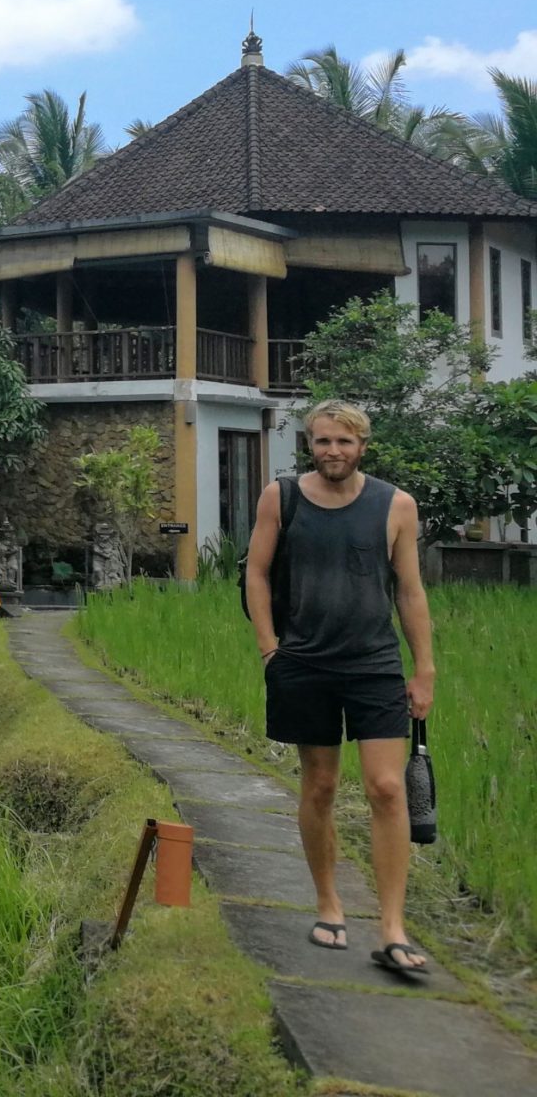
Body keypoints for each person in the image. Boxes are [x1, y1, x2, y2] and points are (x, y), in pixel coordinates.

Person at [244, 398, 436, 978]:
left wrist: (423, 668)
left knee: (385, 788)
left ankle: (393, 928)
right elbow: (255, 570)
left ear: (362, 446)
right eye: (323, 441)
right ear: (310, 443)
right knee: (321, 785)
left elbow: (409, 591)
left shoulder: (395, 504)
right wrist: (269, 647)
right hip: (303, 662)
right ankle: (329, 903)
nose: (333, 451)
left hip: (374, 663)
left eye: (344, 442)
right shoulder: (283, 497)